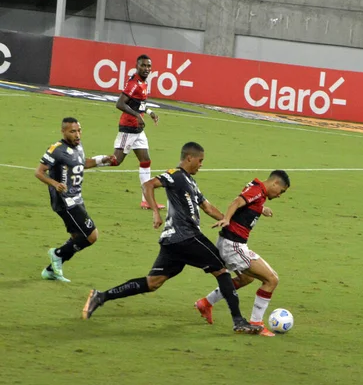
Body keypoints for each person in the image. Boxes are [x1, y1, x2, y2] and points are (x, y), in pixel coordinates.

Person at [82, 142, 263, 334]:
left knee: (153, 283)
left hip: (173, 243)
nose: (201, 164)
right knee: (221, 270)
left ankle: (100, 296)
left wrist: (228, 220)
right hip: (187, 236)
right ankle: (239, 321)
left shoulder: (191, 182)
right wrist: (155, 212)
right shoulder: (175, 175)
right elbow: (148, 184)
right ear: (189, 158)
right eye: (200, 161)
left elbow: (208, 208)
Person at [194, 170, 290, 337]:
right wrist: (227, 219)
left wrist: (261, 208)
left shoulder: (257, 189)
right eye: (281, 191)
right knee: (271, 279)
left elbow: (248, 203)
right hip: (234, 246)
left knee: (246, 278)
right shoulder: (258, 190)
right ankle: (257, 323)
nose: (280, 195)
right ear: (275, 183)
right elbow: (237, 202)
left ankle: (206, 303)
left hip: (228, 242)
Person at [35, 117, 116, 282]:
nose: (77, 134)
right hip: (65, 201)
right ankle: (57, 254)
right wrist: (55, 183)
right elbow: (39, 172)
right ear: (63, 131)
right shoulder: (56, 149)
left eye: (79, 130)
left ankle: (51, 270)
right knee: (91, 236)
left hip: (77, 198)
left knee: (76, 237)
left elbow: (82, 163)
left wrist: (102, 160)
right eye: (73, 131)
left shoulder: (78, 146)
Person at [111, 54, 165, 210]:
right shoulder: (134, 83)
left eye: (149, 66)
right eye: (143, 65)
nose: (146, 68)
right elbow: (120, 104)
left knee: (145, 161)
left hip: (138, 130)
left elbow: (138, 104)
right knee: (116, 160)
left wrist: (149, 112)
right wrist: (136, 116)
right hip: (128, 128)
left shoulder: (143, 83)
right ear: (137, 66)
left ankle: (146, 201)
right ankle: (84, 163)